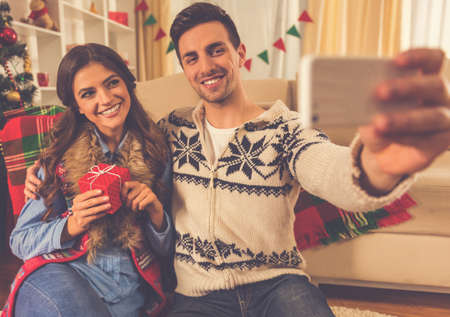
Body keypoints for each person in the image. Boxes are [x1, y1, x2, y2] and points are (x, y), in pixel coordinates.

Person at [24, 3, 450, 317]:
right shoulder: (168, 132)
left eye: (216, 50)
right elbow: (106, 135)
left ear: (239, 52)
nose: (205, 66)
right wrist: (43, 172)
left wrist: (380, 164)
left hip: (278, 285)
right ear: (184, 68)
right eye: (191, 58)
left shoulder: (286, 129)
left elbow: (333, 170)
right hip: (197, 296)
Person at [2, 43, 175, 317]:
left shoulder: (158, 153)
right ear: (78, 106)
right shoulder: (60, 159)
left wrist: (155, 211)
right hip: (60, 276)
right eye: (88, 93)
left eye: (112, 83)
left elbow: (169, 252)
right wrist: (71, 225)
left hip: (126, 296)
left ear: (128, 84)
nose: (105, 99)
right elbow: (20, 241)